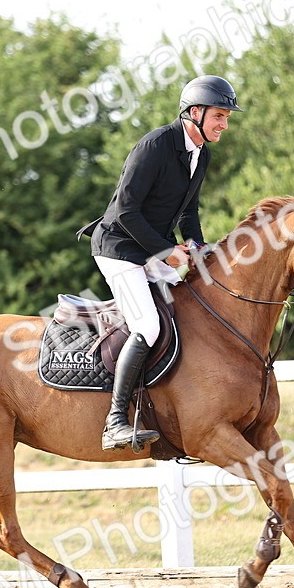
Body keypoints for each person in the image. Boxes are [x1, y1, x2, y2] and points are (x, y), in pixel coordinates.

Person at [78, 74, 243, 450]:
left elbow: (189, 211)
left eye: (226, 117)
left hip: (150, 250)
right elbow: (125, 213)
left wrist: (196, 246)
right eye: (220, 116)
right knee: (148, 326)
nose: (224, 124)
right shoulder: (154, 145)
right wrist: (167, 251)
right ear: (195, 113)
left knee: (190, 311)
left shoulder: (201, 154)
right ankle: (114, 421)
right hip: (118, 249)